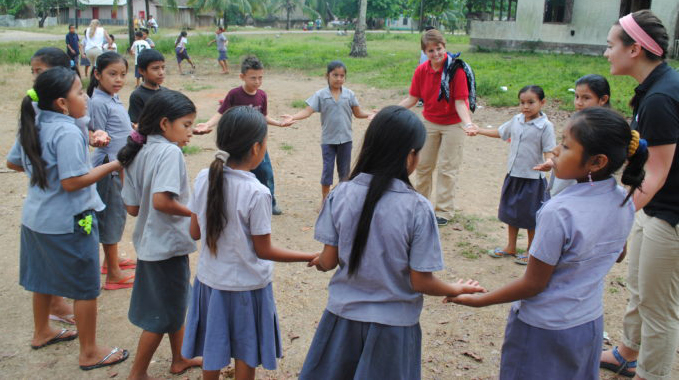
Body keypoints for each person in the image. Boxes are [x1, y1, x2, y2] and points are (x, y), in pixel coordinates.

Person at [450, 107, 648, 380]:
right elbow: (618, 254)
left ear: (596, 162)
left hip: (544, 329)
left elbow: (533, 284)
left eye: (566, 146)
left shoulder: (559, 211)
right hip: (588, 322)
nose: (554, 150)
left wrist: (480, 300)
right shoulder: (622, 200)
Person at [299, 106, 485, 380]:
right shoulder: (418, 208)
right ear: (410, 156)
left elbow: (327, 261)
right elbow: (421, 281)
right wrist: (456, 288)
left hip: (342, 320)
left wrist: (320, 260)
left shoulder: (341, 194)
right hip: (393, 327)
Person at [6, 67, 129, 371]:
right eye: (78, 91)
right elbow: (73, 181)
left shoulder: (34, 122)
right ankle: (89, 352)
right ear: (62, 102)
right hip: (70, 221)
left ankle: (42, 331)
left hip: (36, 218)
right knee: (86, 287)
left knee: (43, 278)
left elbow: (14, 161)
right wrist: (117, 162)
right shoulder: (68, 131)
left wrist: (45, 170)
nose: (85, 97)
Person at [182, 106, 318, 380]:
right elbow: (263, 249)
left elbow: (194, 232)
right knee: (246, 350)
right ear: (257, 148)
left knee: (213, 348)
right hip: (247, 288)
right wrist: (309, 255)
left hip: (211, 283)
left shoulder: (204, 177)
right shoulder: (257, 192)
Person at [599, 10, 679, 380]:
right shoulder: (654, 88)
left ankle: (653, 375)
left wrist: (615, 217)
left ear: (634, 49)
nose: (606, 52)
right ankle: (629, 353)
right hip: (655, 207)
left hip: (670, 214)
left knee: (659, 308)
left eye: (612, 44)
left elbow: (658, 173)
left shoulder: (661, 97)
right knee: (638, 286)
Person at [117, 90, 202, 379]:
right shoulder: (169, 152)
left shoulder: (138, 151)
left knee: (174, 304)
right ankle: (138, 373)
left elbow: (132, 207)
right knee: (159, 316)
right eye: (186, 125)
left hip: (150, 244)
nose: (191, 132)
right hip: (167, 247)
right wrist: (195, 213)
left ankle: (180, 358)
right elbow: (161, 201)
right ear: (165, 124)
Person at [466, 85, 556, 265]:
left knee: (532, 216)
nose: (526, 106)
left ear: (542, 102)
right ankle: (511, 246)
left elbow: (549, 150)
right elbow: (500, 132)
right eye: (522, 102)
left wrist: (549, 162)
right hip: (514, 175)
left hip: (532, 179)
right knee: (511, 212)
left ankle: (532, 250)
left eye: (531, 102)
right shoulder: (516, 120)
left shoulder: (545, 126)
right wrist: (479, 130)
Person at [194, 56, 294, 215]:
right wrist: (207, 124)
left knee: (265, 173)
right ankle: (232, 202)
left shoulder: (262, 95)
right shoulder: (234, 94)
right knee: (236, 174)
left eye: (260, 77)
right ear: (242, 77)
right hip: (238, 144)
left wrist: (279, 123)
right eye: (253, 78)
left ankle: (270, 201)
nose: (257, 81)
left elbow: (264, 117)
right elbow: (222, 113)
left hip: (258, 144)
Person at [398, 29, 478, 226]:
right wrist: (389, 110)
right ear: (424, 52)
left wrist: (468, 123)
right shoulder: (421, 70)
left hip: (454, 124)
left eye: (439, 49)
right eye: (431, 50)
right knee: (423, 165)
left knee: (447, 168)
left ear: (445, 47)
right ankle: (421, 205)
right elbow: (413, 98)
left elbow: (461, 102)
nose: (436, 54)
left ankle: (443, 211)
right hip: (430, 121)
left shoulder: (456, 70)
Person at [281, 60, 374, 202]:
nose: (338, 79)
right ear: (327, 76)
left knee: (344, 172)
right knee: (327, 172)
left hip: (346, 140)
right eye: (335, 75)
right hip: (328, 140)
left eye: (342, 76)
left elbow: (357, 113)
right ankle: (325, 200)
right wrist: (293, 116)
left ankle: (343, 200)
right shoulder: (320, 95)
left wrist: (370, 114)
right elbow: (307, 111)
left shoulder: (349, 94)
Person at [87, 52, 136, 290]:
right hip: (109, 167)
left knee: (117, 213)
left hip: (119, 165)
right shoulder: (97, 102)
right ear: (97, 75)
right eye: (112, 74)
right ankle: (113, 274)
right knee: (111, 216)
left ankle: (111, 261)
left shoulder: (112, 98)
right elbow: (96, 133)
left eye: (123, 75)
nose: (118, 79)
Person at [548, 74, 612, 197]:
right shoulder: (577, 121)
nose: (578, 103)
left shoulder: (602, 130)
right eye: (576, 97)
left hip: (580, 190)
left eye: (586, 98)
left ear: (603, 99)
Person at [128, 49, 166, 128]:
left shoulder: (166, 92)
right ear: (141, 71)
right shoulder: (137, 96)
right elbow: (136, 125)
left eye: (163, 67)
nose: (161, 72)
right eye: (155, 68)